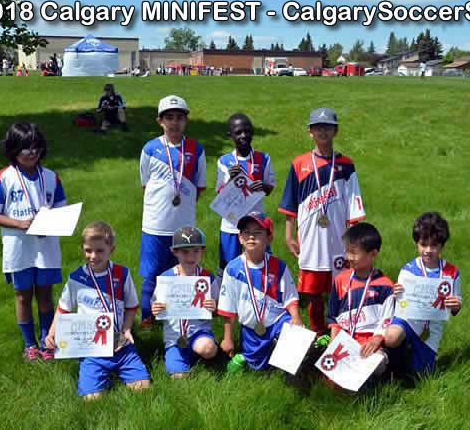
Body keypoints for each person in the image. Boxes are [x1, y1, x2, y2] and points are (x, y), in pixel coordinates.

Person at [0, 122, 66, 361]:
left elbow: (61, 210)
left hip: (46, 247)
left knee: (45, 295)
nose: (31, 152)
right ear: (13, 149)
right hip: (18, 248)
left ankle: (47, 342)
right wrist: (20, 224)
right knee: (22, 295)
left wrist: (49, 225)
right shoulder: (4, 177)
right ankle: (30, 344)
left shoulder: (50, 177)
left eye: (35, 147)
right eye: (24, 148)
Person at [278, 108, 366, 338]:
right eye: (318, 127)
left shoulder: (346, 165)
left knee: (341, 285)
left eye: (327, 127)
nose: (323, 131)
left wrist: (354, 242)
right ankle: (318, 332)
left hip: (338, 237)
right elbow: (290, 203)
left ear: (335, 130)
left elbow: (354, 203)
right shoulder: (300, 164)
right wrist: (289, 235)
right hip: (310, 237)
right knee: (313, 289)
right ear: (310, 132)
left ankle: (340, 328)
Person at [45, 221, 151, 399]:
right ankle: (99, 372)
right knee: (92, 400)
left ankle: (119, 369)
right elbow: (63, 309)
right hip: (90, 348)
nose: (93, 256)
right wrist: (51, 333)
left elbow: (132, 306)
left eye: (100, 250)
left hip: (120, 345)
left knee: (143, 389)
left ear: (112, 249)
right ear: (82, 249)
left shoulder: (122, 274)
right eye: (88, 250)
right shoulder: (76, 278)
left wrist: (126, 329)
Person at [139, 95, 206, 328]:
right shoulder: (150, 148)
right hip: (155, 223)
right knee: (152, 272)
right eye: (169, 118)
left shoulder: (196, 149)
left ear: (186, 120)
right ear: (160, 121)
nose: (174, 123)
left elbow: (200, 187)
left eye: (179, 118)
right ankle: (148, 316)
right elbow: (146, 182)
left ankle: (179, 313)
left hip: (184, 225)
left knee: (181, 270)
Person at [217, 212, 303, 371]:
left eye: (257, 232)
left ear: (269, 238)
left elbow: (290, 298)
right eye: (246, 233)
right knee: (257, 367)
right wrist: (227, 338)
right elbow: (227, 309)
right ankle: (249, 357)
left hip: (277, 320)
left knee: (297, 337)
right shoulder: (233, 269)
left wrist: (296, 318)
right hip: (251, 327)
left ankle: (292, 373)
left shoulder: (279, 266)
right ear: (240, 238)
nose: (251, 237)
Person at [384, 212, 463, 375]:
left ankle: (413, 358)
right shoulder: (408, 270)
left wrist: (456, 305)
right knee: (391, 337)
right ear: (416, 243)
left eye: (433, 245)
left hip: (431, 328)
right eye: (423, 244)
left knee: (420, 375)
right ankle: (393, 362)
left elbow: (455, 309)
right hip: (407, 320)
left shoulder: (451, 272)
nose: (428, 250)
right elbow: (400, 304)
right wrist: (395, 294)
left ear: (442, 245)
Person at [326, 223, 394, 380]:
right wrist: (333, 340)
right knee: (331, 374)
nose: (349, 257)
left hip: (370, 343)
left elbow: (387, 321)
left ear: (373, 254)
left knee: (376, 363)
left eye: (354, 253)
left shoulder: (385, 286)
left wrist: (377, 339)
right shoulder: (340, 280)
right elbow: (333, 316)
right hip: (345, 339)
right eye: (347, 251)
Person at [151, 227, 219, 378]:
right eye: (185, 252)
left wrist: (213, 307)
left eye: (196, 251)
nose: (191, 256)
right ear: (174, 252)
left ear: (203, 250)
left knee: (207, 349)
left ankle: (203, 356)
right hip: (174, 338)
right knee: (179, 378)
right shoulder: (166, 278)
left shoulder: (207, 278)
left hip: (198, 333)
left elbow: (216, 306)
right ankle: (183, 358)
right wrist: (156, 308)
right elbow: (155, 305)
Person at [215, 113, 275, 276]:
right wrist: (230, 182)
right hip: (231, 225)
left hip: (256, 223)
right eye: (238, 132)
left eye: (247, 131)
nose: (243, 136)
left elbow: (270, 187)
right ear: (230, 136)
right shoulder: (224, 161)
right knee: (229, 268)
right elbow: (220, 193)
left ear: (252, 132)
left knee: (261, 266)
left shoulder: (264, 158)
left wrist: (264, 186)